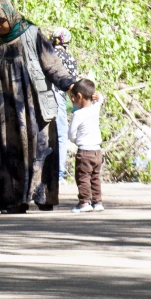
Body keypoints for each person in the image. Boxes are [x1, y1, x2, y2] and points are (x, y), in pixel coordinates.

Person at [0, 0, 77, 214]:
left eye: (1, 21)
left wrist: (71, 86)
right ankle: (13, 200)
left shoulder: (32, 34)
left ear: (10, 16)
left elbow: (52, 65)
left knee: (40, 146)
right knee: (9, 149)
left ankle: (42, 196)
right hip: (5, 109)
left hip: (34, 105)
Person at [67, 79, 105, 213]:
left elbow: (71, 132)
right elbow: (101, 99)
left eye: (73, 98)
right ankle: (97, 202)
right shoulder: (95, 108)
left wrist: (75, 141)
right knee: (95, 177)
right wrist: (98, 95)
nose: (72, 101)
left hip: (85, 152)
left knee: (83, 178)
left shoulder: (78, 114)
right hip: (97, 151)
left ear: (79, 97)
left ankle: (84, 202)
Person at [49, 28, 78, 184]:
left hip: (39, 97)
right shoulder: (68, 58)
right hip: (58, 97)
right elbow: (73, 83)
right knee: (60, 135)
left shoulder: (45, 55)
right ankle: (59, 175)